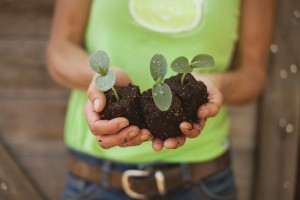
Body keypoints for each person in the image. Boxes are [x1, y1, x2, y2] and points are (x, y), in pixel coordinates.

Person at [46, 0, 275, 199]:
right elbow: (59, 50)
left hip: (202, 179)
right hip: (95, 178)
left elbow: (253, 76)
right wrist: (101, 79)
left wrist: (211, 86)